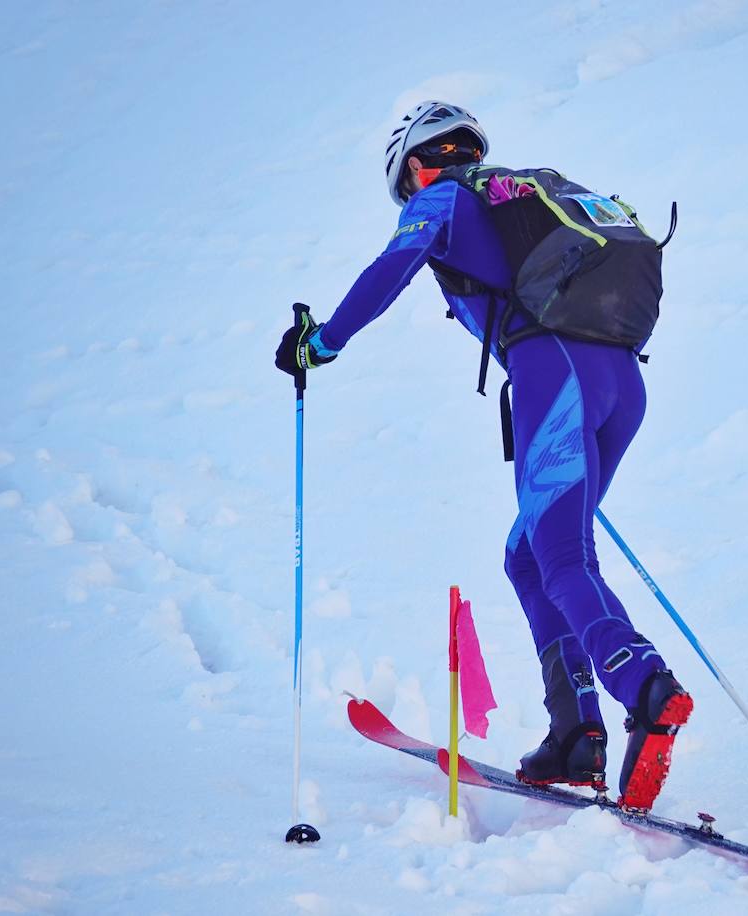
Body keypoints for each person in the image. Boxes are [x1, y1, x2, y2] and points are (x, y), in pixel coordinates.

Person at [275, 101, 692, 811]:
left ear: (415, 165)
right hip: (623, 380)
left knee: (561, 557)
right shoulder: (528, 192)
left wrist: (322, 343)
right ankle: (576, 732)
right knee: (530, 553)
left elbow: (392, 267)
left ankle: (644, 685)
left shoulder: (442, 197)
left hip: (553, 374)